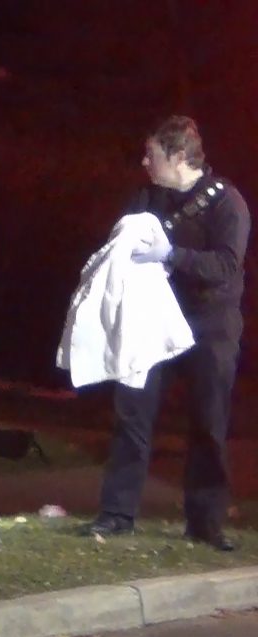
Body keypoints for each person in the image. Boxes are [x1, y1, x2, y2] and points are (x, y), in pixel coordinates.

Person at [88, 115, 251, 551]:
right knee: (133, 415)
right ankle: (117, 514)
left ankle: (206, 523)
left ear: (178, 156)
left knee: (207, 423)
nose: (145, 161)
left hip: (210, 326)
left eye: (152, 154)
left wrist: (172, 255)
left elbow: (225, 265)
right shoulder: (148, 197)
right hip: (153, 322)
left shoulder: (226, 203)